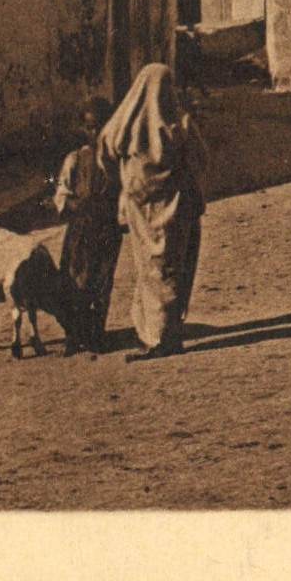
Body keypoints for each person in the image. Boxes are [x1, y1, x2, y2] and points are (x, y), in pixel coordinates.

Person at [97, 63, 207, 361]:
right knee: (171, 268)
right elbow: (200, 158)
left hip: (139, 208)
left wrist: (126, 181)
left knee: (148, 268)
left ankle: (152, 333)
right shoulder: (181, 124)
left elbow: (104, 155)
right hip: (175, 207)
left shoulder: (123, 123)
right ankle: (166, 334)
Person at [53, 97, 121, 355]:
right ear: (84, 129)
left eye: (100, 127)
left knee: (102, 280)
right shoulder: (75, 158)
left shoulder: (116, 159)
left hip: (106, 228)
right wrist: (75, 206)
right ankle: (73, 333)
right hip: (80, 230)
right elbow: (62, 192)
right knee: (74, 279)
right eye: (91, 128)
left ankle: (96, 332)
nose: (96, 133)